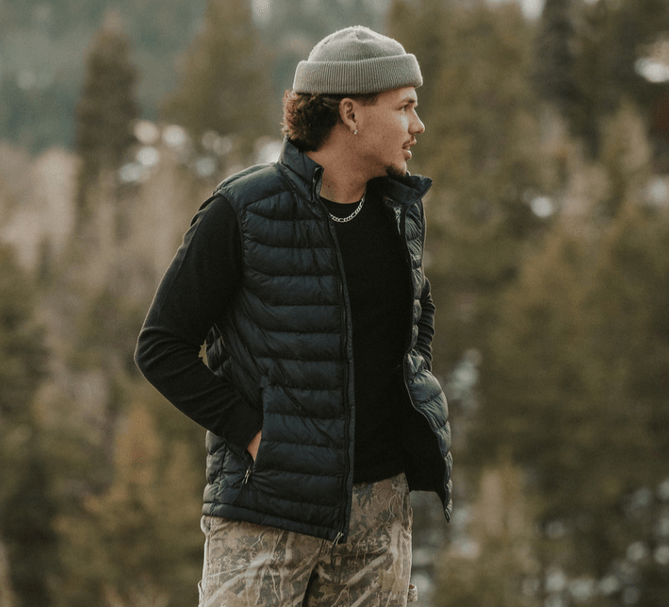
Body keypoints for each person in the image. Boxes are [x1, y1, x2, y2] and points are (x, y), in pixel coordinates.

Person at [135, 24, 452, 607]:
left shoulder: (397, 210)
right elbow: (160, 347)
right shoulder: (242, 210)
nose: (418, 125)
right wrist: (255, 435)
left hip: (379, 514)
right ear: (351, 113)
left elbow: (418, 308)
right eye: (405, 107)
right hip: (265, 510)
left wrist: (408, 386)